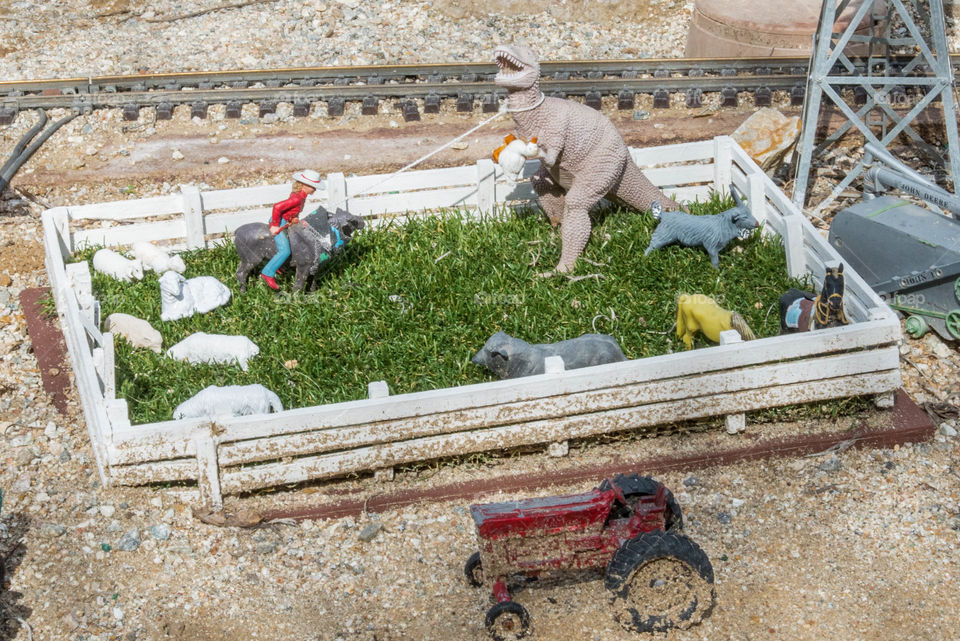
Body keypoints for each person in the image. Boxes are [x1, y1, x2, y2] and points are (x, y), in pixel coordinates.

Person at [260, 169, 323, 290]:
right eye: (313, 187)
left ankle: (278, 262)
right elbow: (277, 207)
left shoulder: (301, 196)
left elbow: (290, 210)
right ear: (305, 185)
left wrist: (294, 218)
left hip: (287, 221)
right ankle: (267, 273)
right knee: (285, 250)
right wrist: (274, 224)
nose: (315, 190)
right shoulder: (297, 198)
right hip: (280, 222)